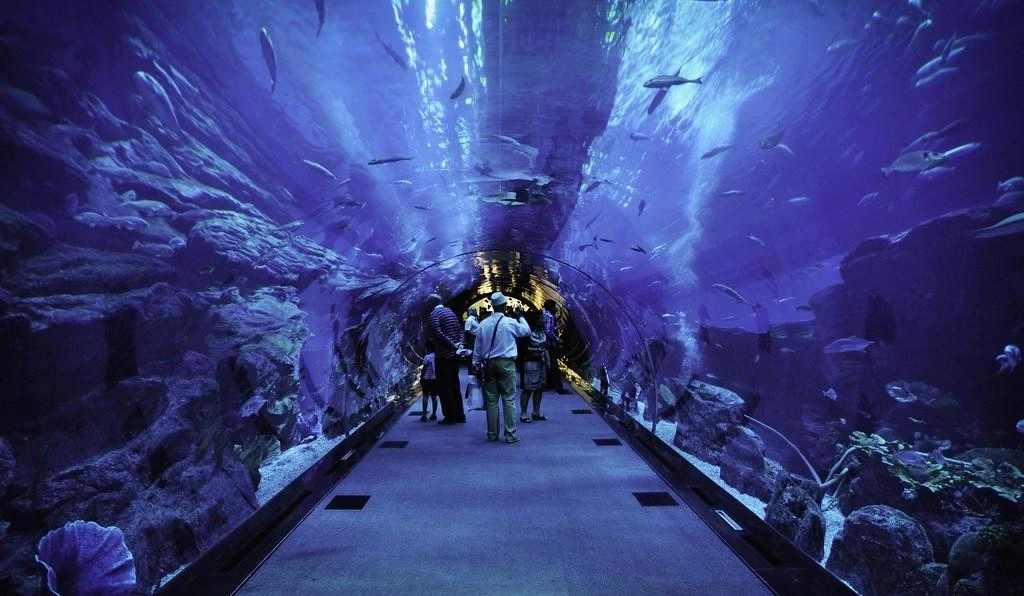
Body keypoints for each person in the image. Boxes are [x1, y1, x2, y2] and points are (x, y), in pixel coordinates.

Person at [472, 292, 531, 443]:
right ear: (505, 306)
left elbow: (477, 347)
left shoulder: (483, 324)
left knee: (491, 401)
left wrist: (476, 364)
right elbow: (526, 331)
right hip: (506, 364)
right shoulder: (509, 322)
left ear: (492, 306)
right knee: (508, 399)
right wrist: (521, 316)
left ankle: (492, 434)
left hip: (488, 364)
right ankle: (510, 435)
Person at [426, 293, 465, 424]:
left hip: (443, 356)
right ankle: (460, 415)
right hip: (454, 356)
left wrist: (452, 345)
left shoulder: (434, 315)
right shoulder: (450, 312)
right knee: (455, 385)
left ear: (432, 303)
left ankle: (450, 416)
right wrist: (459, 343)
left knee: (444, 387)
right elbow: (460, 330)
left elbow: (438, 333)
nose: (427, 304)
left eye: (428, 302)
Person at [519, 310, 550, 423]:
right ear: (536, 320)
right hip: (530, 364)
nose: (544, 320)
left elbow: (545, 347)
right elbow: (523, 349)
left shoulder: (542, 332)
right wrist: (537, 350)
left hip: (540, 363)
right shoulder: (528, 333)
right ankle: (523, 413)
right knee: (527, 389)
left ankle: (536, 412)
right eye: (542, 318)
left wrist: (547, 360)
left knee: (539, 388)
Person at [542, 299, 567, 393]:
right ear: (551, 307)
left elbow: (548, 328)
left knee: (549, 364)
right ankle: (558, 387)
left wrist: (557, 327)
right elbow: (548, 331)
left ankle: (550, 384)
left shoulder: (543, 314)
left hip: (543, 343)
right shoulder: (549, 316)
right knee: (553, 364)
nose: (556, 309)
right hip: (549, 344)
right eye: (555, 307)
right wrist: (557, 339)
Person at [420, 342, 438, 421]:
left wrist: (421, 378)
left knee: (425, 396)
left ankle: (424, 415)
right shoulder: (437, 356)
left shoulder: (427, 357)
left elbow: (424, 368)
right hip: (435, 379)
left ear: (428, 348)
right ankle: (434, 414)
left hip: (426, 379)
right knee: (434, 397)